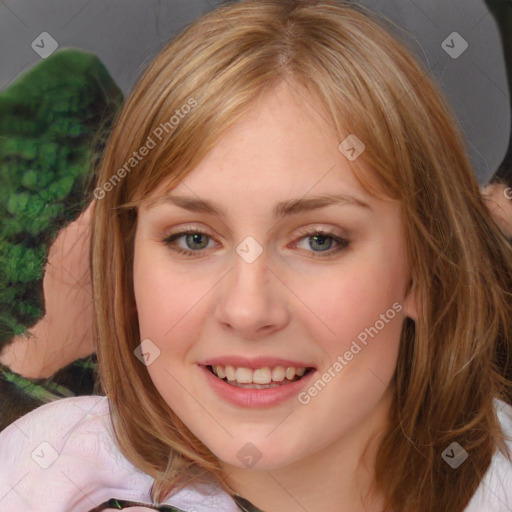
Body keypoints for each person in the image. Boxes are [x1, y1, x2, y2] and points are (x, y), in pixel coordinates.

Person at [0, 1, 511, 511]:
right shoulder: (37, 474)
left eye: (319, 240)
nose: (247, 311)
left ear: (424, 273)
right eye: (193, 239)